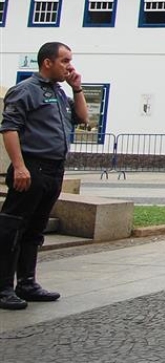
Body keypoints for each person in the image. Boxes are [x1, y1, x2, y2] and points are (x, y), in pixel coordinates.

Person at [0, 42, 88, 310]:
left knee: (35, 228)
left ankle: (27, 282)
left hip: (53, 169)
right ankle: (3, 287)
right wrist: (19, 166)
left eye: (70, 60)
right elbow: (10, 128)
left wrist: (77, 88)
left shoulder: (60, 93)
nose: (69, 66)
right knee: (13, 227)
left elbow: (82, 118)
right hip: (31, 167)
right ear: (47, 62)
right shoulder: (25, 91)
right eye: (64, 61)